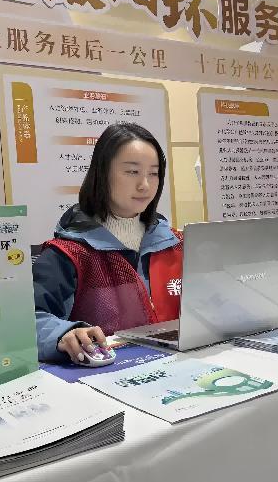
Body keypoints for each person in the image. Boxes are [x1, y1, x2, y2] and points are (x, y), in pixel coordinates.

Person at [32, 123, 182, 363]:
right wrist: (63, 333)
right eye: (132, 172)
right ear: (102, 174)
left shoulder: (176, 244)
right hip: (113, 373)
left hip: (184, 366)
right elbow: (29, 319)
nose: (145, 185)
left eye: (154, 173)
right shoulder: (69, 253)